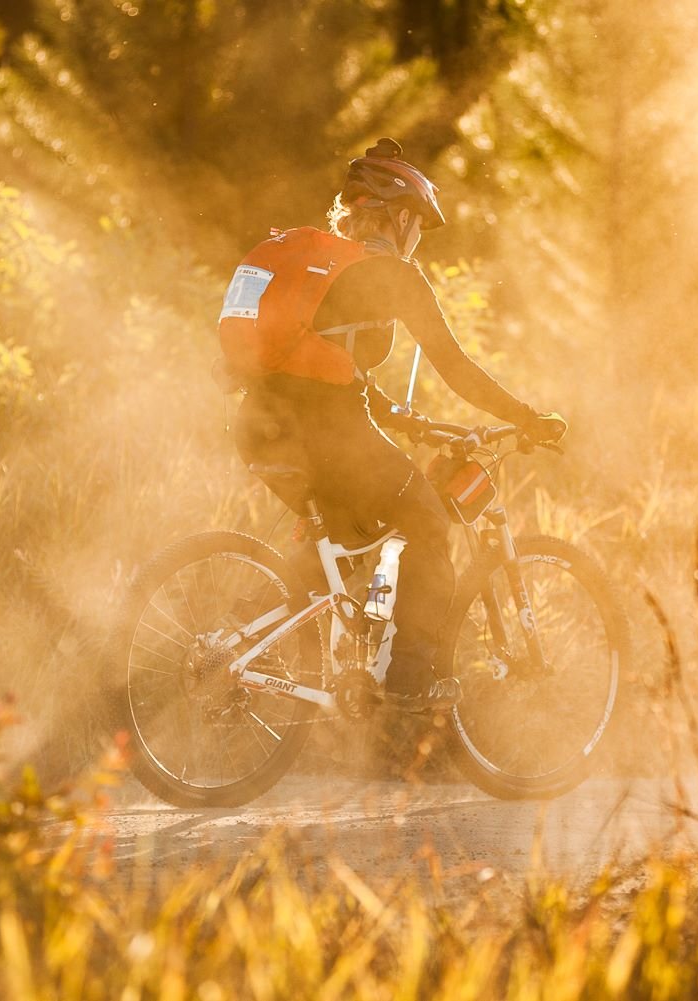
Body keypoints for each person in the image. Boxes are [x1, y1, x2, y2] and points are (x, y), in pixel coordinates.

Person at [219, 137, 567, 712]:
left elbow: (324, 368)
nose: (415, 243)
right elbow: (455, 367)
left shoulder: (319, 266)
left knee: (349, 535)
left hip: (258, 426)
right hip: (326, 435)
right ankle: (410, 677)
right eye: (418, 228)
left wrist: (404, 419)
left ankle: (234, 637)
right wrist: (526, 419)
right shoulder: (390, 276)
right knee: (427, 522)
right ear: (403, 217)